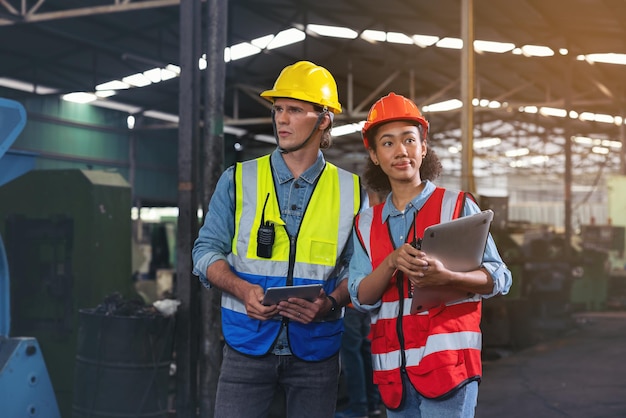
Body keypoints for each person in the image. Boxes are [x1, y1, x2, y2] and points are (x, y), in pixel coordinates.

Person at [192, 60, 362, 418]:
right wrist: (242, 290)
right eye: (278, 109)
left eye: (295, 110)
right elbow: (204, 251)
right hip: (246, 346)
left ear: (324, 119)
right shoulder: (238, 180)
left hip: (316, 351)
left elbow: (360, 269)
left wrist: (330, 303)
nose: (281, 119)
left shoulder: (352, 190)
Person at [348, 92, 512, 418]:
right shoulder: (365, 223)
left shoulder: (457, 207)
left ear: (423, 148)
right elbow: (360, 297)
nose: (401, 151)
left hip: (448, 369)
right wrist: (391, 262)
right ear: (375, 155)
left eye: (409, 140)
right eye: (388, 143)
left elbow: (500, 277)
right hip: (393, 375)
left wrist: (450, 277)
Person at [335, 190, 385, 418]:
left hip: (355, 304)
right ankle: (372, 404)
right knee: (365, 352)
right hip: (368, 304)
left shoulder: (365, 223)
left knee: (353, 354)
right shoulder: (380, 224)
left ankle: (359, 406)